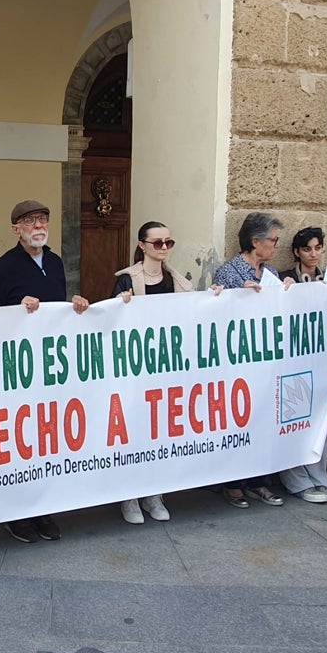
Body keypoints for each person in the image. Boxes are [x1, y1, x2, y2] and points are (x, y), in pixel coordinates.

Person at [0, 199, 90, 542]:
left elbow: (57, 309)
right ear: (17, 229)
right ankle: (17, 514)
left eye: (43, 219)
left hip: (51, 368)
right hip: (17, 370)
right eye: (30, 221)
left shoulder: (55, 263)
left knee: (46, 439)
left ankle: (43, 509)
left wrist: (76, 306)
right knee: (21, 440)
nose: (38, 225)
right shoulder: (4, 267)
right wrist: (17, 308)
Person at [111, 220, 191, 524]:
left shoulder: (179, 282)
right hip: (134, 371)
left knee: (160, 432)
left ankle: (155, 493)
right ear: (142, 245)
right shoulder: (125, 281)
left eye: (168, 242)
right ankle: (129, 496)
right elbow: (111, 322)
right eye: (157, 243)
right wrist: (120, 306)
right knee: (134, 432)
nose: (163, 248)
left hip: (166, 370)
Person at [211, 212, 289, 509]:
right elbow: (217, 313)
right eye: (273, 240)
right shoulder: (229, 272)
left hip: (265, 364)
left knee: (262, 422)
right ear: (255, 242)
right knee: (236, 422)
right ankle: (233, 485)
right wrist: (239, 298)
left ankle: (259, 482)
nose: (276, 246)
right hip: (236, 363)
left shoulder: (271, 273)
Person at [276, 227, 327, 504]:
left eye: (318, 248)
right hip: (291, 361)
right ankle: (297, 480)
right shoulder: (283, 279)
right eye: (307, 249)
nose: (313, 254)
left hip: (319, 362)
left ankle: (319, 476)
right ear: (296, 252)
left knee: (319, 420)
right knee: (290, 419)